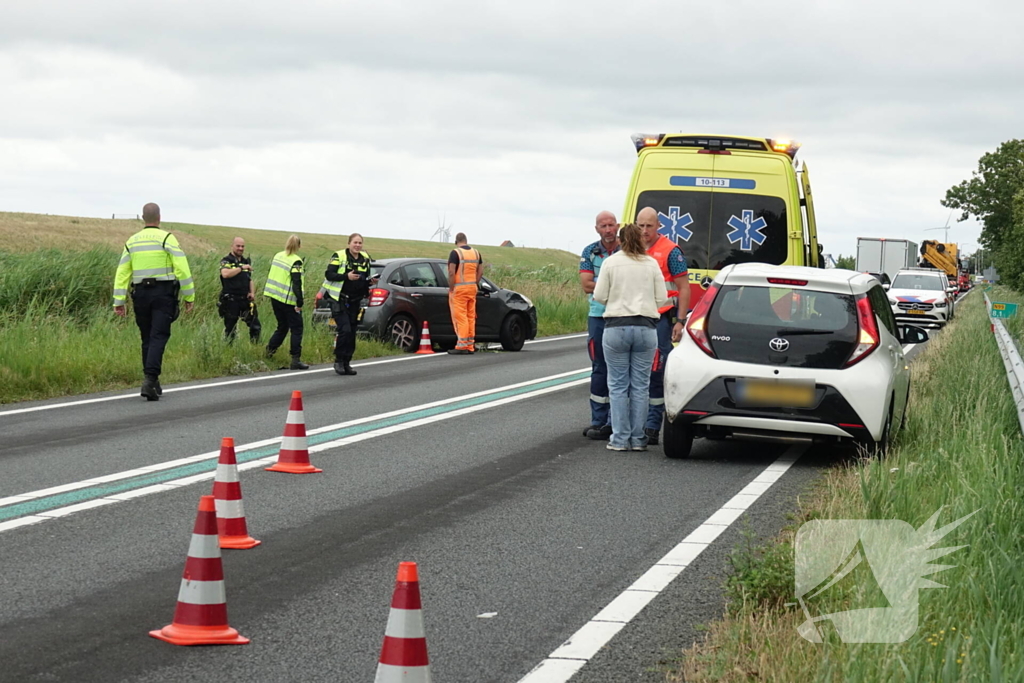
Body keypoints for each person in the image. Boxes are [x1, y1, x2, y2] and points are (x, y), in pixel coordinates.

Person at [593, 223, 669, 451]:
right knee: (641, 385)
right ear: (641, 239)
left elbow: (599, 295)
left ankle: (619, 439)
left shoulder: (611, 263)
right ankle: (638, 439)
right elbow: (662, 298)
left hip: (616, 327)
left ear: (621, 240)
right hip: (646, 328)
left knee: (617, 386)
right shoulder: (651, 264)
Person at [112, 202, 195, 401]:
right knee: (158, 336)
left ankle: (152, 380)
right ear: (159, 217)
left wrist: (118, 301)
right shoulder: (167, 238)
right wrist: (189, 296)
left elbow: (122, 271)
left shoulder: (132, 241)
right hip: (162, 293)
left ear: (143, 218)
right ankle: (150, 379)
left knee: (147, 337)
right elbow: (182, 268)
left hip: (140, 294)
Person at [636, 206, 691, 446]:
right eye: (640, 226)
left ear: (658, 226)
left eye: (649, 226)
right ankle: (631, 425)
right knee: (634, 375)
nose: (645, 231)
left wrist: (680, 321)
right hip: (635, 318)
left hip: (660, 319)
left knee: (656, 372)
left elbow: (684, 287)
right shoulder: (631, 249)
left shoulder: (671, 251)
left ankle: (651, 427)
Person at [579, 210, 621, 440]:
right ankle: (599, 420)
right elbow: (586, 285)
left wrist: (601, 285)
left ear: (618, 226)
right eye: (603, 226)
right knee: (599, 368)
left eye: (611, 225)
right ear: (596, 229)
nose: (608, 230)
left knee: (621, 371)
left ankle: (617, 421)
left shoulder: (627, 250)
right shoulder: (589, 252)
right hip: (598, 316)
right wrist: (616, 284)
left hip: (621, 316)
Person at [322, 233, 373, 376]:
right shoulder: (339, 256)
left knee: (352, 332)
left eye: (360, 243)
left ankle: (347, 362)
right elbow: (329, 275)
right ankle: (338, 360)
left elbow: (365, 278)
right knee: (344, 330)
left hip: (355, 301)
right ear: (349, 243)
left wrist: (369, 282)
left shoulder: (365, 258)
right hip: (338, 299)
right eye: (355, 242)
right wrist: (346, 277)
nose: (357, 245)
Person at [263, 234, 309, 370]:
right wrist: (299, 302)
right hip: (288, 299)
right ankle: (295, 359)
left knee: (282, 326)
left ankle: (269, 352)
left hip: (274, 296)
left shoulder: (278, 255)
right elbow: (296, 282)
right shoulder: (296, 261)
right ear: (299, 246)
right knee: (297, 329)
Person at [218, 237, 261, 343]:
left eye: (242, 246)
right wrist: (241, 268)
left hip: (244, 300)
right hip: (231, 300)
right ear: (232, 246)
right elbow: (225, 274)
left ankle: (255, 348)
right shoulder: (226, 260)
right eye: (238, 246)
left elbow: (249, 279)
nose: (240, 248)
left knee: (255, 326)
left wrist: (252, 292)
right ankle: (228, 352)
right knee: (230, 330)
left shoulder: (245, 261)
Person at [447, 232, 484, 355]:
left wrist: (452, 287)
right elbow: (481, 271)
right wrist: (475, 283)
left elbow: (452, 272)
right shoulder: (476, 253)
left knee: (460, 317)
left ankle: (462, 345)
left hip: (459, 290)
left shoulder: (455, 253)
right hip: (472, 288)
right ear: (466, 240)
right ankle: (470, 344)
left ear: (456, 241)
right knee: (470, 317)